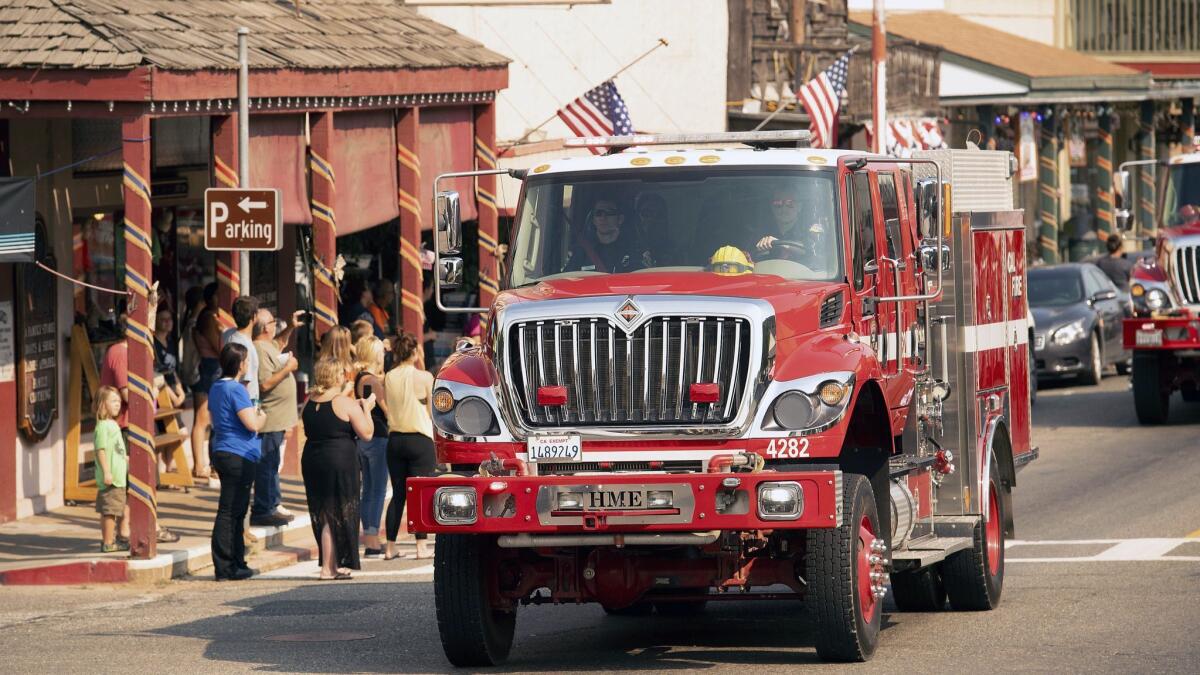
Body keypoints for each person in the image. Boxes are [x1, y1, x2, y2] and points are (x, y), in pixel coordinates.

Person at [302, 358, 376, 580]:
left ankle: (329, 565)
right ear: (337, 376)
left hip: (313, 459)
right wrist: (368, 409)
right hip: (339, 460)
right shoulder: (343, 402)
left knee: (324, 512)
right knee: (340, 511)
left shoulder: (309, 401)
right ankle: (328, 568)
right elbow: (367, 433)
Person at [208, 342, 267, 581]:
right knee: (231, 511)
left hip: (224, 449)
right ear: (241, 364)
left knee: (234, 510)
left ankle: (235, 561)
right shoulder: (236, 390)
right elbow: (251, 424)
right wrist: (262, 417)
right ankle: (226, 565)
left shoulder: (216, 388)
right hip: (238, 453)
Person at [251, 307, 306, 527]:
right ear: (265, 327)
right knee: (267, 464)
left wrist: (291, 327)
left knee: (273, 462)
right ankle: (264, 507)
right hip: (270, 417)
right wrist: (288, 369)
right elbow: (264, 384)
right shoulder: (259, 349)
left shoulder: (267, 346)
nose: (277, 325)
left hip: (278, 418)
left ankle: (272, 504)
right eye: (274, 322)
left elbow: (280, 343)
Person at [383, 333, 435, 561]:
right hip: (420, 438)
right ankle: (421, 545)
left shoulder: (389, 376)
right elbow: (433, 412)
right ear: (415, 352)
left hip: (395, 439)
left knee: (398, 495)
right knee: (420, 494)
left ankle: (390, 546)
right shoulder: (425, 377)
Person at [353, 336, 390, 556]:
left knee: (368, 489)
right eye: (381, 352)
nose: (384, 355)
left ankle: (369, 537)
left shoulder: (361, 377)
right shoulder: (372, 380)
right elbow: (386, 409)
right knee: (377, 491)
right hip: (378, 436)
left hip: (365, 438)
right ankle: (372, 539)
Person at [565, 197, 651, 274]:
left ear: (620, 219)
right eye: (599, 213)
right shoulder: (581, 252)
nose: (603, 217)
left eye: (610, 213)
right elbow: (567, 280)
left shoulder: (635, 251)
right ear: (594, 220)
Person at [192, 282, 223, 484]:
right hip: (210, 369)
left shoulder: (211, 317)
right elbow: (218, 346)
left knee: (210, 420)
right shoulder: (207, 317)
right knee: (203, 419)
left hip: (212, 368)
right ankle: (199, 465)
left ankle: (207, 464)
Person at [93, 386, 130, 553]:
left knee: (114, 511)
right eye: (113, 401)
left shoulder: (113, 425)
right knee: (109, 512)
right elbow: (100, 449)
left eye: (119, 401)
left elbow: (116, 448)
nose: (118, 404)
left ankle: (111, 540)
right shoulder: (102, 426)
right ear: (103, 404)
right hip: (111, 478)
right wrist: (107, 471)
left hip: (118, 477)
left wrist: (125, 459)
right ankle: (108, 542)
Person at [754, 185, 823, 268]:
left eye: (790, 203)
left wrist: (780, 243)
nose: (784, 208)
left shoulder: (811, 229)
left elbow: (812, 249)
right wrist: (762, 251)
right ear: (771, 207)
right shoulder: (760, 232)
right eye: (778, 203)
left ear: (799, 207)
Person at [221, 296, 261, 403]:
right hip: (246, 401)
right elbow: (244, 384)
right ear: (254, 316)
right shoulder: (246, 347)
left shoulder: (227, 334)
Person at [634, 192, 672, 265]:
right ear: (637, 217)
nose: (652, 219)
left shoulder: (674, 251)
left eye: (659, 215)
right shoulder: (625, 248)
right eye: (647, 213)